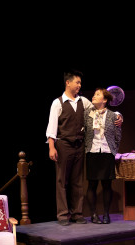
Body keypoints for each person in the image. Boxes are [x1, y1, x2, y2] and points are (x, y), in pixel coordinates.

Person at [46, 70, 122, 226]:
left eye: (80, 83)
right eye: (77, 82)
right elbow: (51, 127)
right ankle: (63, 215)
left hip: (79, 146)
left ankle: (77, 213)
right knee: (62, 181)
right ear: (68, 83)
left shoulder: (83, 101)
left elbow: (100, 109)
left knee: (77, 181)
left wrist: (119, 115)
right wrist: (51, 147)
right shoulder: (58, 103)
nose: (79, 85)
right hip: (64, 144)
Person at [84, 88, 122, 224]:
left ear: (105, 100)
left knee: (107, 185)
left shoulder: (113, 116)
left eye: (97, 94)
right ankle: (93, 214)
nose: (94, 96)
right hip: (92, 152)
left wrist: (113, 150)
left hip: (107, 153)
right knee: (92, 184)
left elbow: (118, 135)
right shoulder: (87, 113)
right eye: (94, 94)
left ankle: (106, 214)